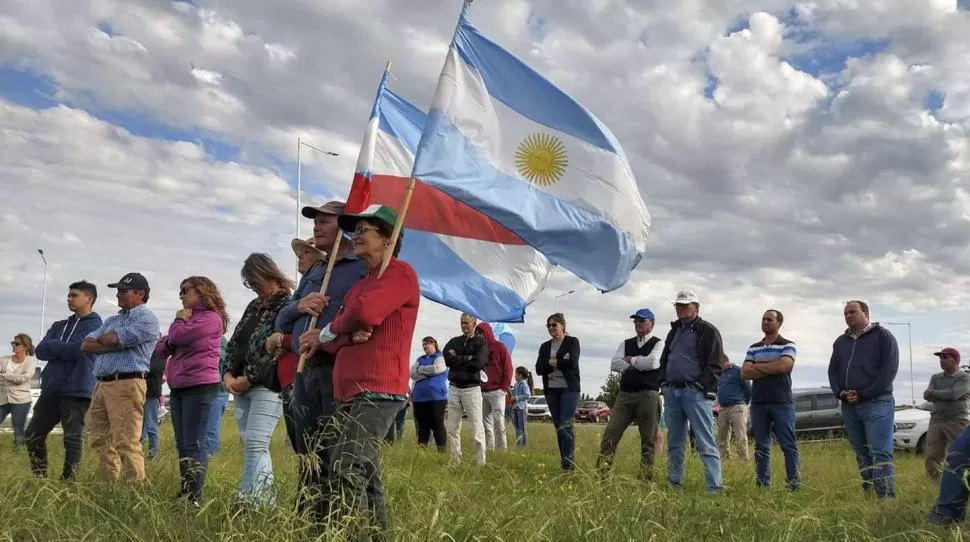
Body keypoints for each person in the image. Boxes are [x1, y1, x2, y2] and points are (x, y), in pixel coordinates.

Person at [303, 203, 419, 538]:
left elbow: (366, 313)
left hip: (378, 391)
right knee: (366, 474)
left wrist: (329, 331)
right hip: (349, 392)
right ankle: (376, 535)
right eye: (354, 230)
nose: (355, 235)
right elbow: (340, 341)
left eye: (363, 230)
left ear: (387, 238)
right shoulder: (359, 284)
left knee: (347, 466)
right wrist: (339, 334)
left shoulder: (400, 274)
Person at [272, 201, 366, 521]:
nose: (316, 225)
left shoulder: (361, 267)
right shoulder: (314, 271)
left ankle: (333, 520)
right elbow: (280, 322)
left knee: (333, 451)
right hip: (303, 372)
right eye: (316, 220)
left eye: (325, 220)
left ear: (346, 226)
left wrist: (329, 334)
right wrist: (301, 306)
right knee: (306, 451)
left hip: (335, 370)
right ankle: (307, 517)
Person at [225, 254, 293, 507]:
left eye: (255, 282)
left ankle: (255, 501)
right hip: (240, 383)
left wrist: (249, 379)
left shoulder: (287, 305)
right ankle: (256, 498)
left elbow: (278, 351)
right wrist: (228, 375)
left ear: (270, 276)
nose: (253, 288)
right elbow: (234, 343)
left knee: (256, 442)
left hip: (267, 385)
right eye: (249, 284)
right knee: (251, 443)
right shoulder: (254, 306)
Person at [81, 272, 160, 483]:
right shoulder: (113, 319)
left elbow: (113, 338)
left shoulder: (147, 318)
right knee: (99, 438)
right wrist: (108, 343)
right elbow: (86, 345)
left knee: (126, 440)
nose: (117, 295)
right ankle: (106, 484)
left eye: (123, 291)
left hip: (126, 382)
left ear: (140, 294)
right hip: (102, 383)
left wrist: (109, 342)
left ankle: (135, 489)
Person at [155, 276, 227, 506]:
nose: (181, 295)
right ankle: (186, 490)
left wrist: (177, 322)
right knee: (183, 443)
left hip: (200, 386)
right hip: (180, 387)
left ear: (202, 291)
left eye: (186, 290)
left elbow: (175, 337)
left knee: (194, 444)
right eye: (181, 291)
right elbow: (159, 349)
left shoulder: (211, 319)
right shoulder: (190, 319)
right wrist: (174, 338)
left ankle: (194, 496)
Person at [27, 280, 102, 480]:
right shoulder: (60, 325)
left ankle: (68, 483)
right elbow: (40, 350)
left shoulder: (96, 325)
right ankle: (40, 478)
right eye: (68, 295)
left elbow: (77, 350)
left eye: (74, 295)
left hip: (77, 389)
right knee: (32, 435)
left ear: (89, 299)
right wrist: (61, 348)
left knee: (73, 438)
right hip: (52, 388)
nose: (69, 299)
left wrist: (55, 347)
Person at [826, 300, 899, 499]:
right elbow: (833, 370)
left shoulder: (883, 336)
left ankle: (886, 499)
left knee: (880, 453)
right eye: (845, 313)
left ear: (865, 313)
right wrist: (839, 392)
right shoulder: (841, 342)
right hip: (850, 406)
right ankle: (869, 494)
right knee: (862, 453)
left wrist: (864, 393)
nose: (848, 316)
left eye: (852, 312)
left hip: (877, 403)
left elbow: (888, 371)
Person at [657, 290, 725, 492]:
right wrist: (664, 383)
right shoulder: (674, 330)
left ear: (696, 307)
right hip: (673, 392)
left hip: (695, 393)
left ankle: (714, 487)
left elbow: (715, 364)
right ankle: (674, 482)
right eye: (678, 305)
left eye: (685, 305)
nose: (681, 309)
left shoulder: (708, 331)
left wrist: (699, 386)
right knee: (675, 441)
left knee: (705, 441)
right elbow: (666, 359)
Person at [596, 308, 665, 480]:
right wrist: (639, 363)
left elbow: (653, 363)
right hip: (625, 395)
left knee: (648, 440)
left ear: (652, 323)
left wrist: (631, 360)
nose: (638, 324)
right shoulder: (626, 343)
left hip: (648, 395)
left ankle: (645, 478)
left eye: (642, 321)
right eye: (636, 321)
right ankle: (601, 475)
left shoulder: (659, 343)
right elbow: (615, 364)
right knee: (610, 434)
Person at [742, 309, 800, 490]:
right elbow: (745, 372)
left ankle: (793, 484)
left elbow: (784, 366)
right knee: (761, 446)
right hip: (759, 402)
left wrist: (757, 366)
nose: (765, 322)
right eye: (763, 319)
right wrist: (771, 367)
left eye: (769, 319)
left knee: (788, 445)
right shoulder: (754, 347)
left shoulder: (788, 345)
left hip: (781, 402)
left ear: (779, 323)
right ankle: (762, 484)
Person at [535, 312, 582, 471]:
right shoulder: (545, 346)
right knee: (558, 426)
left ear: (563, 326)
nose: (551, 328)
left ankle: (569, 466)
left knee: (565, 424)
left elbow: (572, 362)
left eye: (554, 325)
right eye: (548, 325)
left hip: (569, 389)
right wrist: (557, 362)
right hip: (551, 390)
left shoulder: (572, 342)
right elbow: (539, 369)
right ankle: (564, 462)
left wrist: (553, 362)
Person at [443, 313, 489, 466]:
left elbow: (478, 363)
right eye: (462, 323)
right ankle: (454, 460)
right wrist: (467, 358)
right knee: (452, 427)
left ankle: (480, 463)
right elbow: (448, 359)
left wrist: (459, 358)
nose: (464, 326)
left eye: (467, 323)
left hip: (471, 388)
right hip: (454, 387)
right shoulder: (453, 341)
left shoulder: (481, 343)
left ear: (474, 323)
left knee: (477, 427)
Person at [923, 347, 970, 479]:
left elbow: (954, 394)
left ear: (955, 360)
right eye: (940, 357)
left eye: (945, 357)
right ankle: (934, 483)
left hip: (957, 420)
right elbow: (927, 396)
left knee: (960, 453)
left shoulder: (964, 377)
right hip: (936, 420)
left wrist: (936, 393)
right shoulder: (936, 377)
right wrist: (944, 393)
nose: (941, 360)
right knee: (932, 455)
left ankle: (961, 481)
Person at [478, 322, 513, 451]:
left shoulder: (500, 347)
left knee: (499, 422)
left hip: (497, 391)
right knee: (486, 423)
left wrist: (504, 387)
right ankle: (489, 448)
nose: (479, 335)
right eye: (477, 333)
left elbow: (508, 367)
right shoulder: (478, 349)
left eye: (481, 333)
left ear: (487, 332)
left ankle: (502, 450)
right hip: (482, 391)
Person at [0, 334, 38, 450]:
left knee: (18, 428)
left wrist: (4, 375)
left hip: (21, 400)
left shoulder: (30, 362)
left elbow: (23, 379)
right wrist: (14, 378)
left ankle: (18, 453)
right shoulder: (4, 360)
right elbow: (18, 379)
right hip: (3, 398)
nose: (13, 345)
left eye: (17, 344)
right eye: (13, 343)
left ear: (25, 346)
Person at [410, 336, 448, 451]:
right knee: (422, 426)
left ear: (434, 344)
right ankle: (422, 450)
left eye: (427, 343)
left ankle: (441, 450)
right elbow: (413, 374)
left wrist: (421, 370)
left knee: (437, 423)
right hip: (419, 398)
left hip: (436, 397)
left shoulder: (440, 357)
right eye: (424, 344)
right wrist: (427, 372)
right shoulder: (420, 359)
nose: (425, 346)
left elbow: (436, 369)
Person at [717, 354, 751, 461]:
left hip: (737, 406)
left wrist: (743, 403)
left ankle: (743, 460)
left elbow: (748, 389)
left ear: (724, 362)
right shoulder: (719, 374)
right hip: (723, 408)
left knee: (740, 435)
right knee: (722, 437)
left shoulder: (738, 371)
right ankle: (724, 460)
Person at [206, 337, 229, 456]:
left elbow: (225, 361)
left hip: (217, 391)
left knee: (210, 431)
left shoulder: (220, 341)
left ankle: (210, 459)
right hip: (206, 390)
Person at [141, 351, 166, 459]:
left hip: (151, 392)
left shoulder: (158, 354)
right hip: (142, 391)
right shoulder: (148, 352)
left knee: (151, 424)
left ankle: (153, 454)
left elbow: (152, 369)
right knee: (141, 425)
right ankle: (139, 452)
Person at [511, 367, 533, 447]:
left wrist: (516, 398)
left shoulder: (524, 384)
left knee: (522, 427)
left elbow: (528, 395)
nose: (514, 376)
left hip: (522, 408)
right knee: (517, 427)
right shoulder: (516, 384)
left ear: (520, 375)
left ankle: (523, 445)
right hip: (516, 407)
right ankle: (518, 444)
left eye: (515, 374)